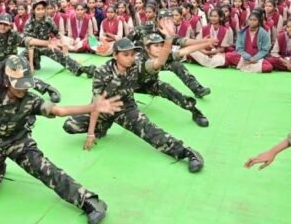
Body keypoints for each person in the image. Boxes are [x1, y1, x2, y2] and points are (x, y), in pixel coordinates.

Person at [0, 56, 121, 224]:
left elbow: (59, 111)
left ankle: (89, 201)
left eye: (26, 84)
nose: (23, 89)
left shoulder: (30, 100)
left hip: (18, 142)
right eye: (19, 85)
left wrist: (92, 107)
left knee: (47, 170)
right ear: (7, 81)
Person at [63, 38, 206, 173]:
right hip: (103, 109)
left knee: (150, 131)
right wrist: (90, 133)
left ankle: (187, 153)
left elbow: (159, 62)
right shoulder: (102, 72)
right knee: (70, 125)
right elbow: (96, 104)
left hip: (125, 108)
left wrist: (168, 39)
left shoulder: (136, 67)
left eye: (132, 54)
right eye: (126, 54)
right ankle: (102, 127)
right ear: (115, 55)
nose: (130, 57)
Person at [127, 9, 211, 98]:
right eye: (165, 20)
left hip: (160, 59)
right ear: (158, 19)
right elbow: (126, 41)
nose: (168, 23)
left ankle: (197, 89)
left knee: (176, 65)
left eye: (170, 20)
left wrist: (201, 41)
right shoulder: (143, 28)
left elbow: (183, 41)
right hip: (141, 63)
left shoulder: (168, 31)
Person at [137, 31, 212, 127]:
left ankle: (195, 111)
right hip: (131, 86)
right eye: (156, 46)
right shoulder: (138, 59)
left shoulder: (161, 55)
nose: (160, 48)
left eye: (161, 45)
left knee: (166, 86)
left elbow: (182, 52)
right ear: (147, 49)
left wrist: (204, 43)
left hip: (149, 83)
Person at [0, 13, 60, 80]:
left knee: (26, 80)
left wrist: (46, 43)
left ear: (10, 26)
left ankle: (48, 89)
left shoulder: (14, 35)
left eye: (5, 24)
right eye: (0, 23)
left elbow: (28, 40)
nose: (2, 26)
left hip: (12, 65)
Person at [24, 0, 95, 76]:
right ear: (33, 11)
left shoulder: (48, 20)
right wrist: (31, 65)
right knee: (19, 60)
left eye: (42, 9)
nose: (41, 11)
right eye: (38, 9)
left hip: (47, 48)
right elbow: (29, 42)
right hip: (31, 49)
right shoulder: (29, 23)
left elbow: (57, 33)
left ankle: (81, 69)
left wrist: (64, 43)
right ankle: (35, 62)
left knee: (60, 54)